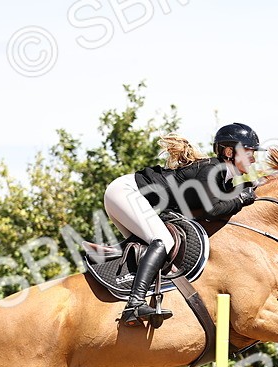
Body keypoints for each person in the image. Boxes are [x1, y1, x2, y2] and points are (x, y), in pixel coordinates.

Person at [103, 122, 264, 327]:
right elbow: (212, 210)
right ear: (229, 151)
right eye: (249, 151)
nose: (253, 158)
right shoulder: (212, 169)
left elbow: (225, 198)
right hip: (126, 193)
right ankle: (134, 304)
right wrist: (242, 199)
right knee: (163, 240)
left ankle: (130, 297)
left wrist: (252, 187)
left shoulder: (223, 177)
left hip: (129, 197)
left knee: (150, 250)